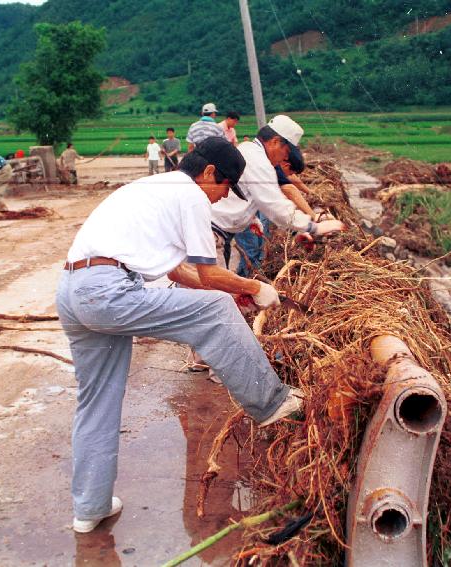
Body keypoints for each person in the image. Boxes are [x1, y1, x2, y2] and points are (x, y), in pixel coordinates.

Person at [56, 137, 302, 533]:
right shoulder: (189, 195)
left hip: (73, 289)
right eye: (224, 187)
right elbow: (207, 273)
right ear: (208, 173)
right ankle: (272, 403)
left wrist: (236, 287)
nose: (222, 198)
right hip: (108, 290)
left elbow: (179, 273)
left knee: (96, 401)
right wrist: (255, 288)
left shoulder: (153, 188)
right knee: (216, 311)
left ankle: (90, 507)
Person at [210, 115, 345, 270]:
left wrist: (252, 220)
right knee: (213, 290)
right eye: (286, 152)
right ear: (275, 142)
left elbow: (243, 194)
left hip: (217, 230)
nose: (285, 157)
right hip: (214, 233)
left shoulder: (248, 149)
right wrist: (315, 227)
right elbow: (275, 205)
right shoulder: (260, 162)